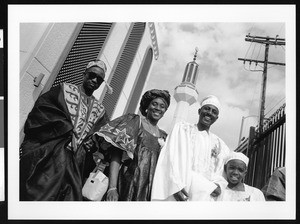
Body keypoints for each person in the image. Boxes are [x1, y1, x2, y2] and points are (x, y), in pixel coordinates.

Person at [20, 59, 109, 201]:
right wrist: (67, 128)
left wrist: (92, 143)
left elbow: (101, 135)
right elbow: (42, 111)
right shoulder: (64, 89)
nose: (94, 80)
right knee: (41, 195)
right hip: (53, 154)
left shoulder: (100, 109)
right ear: (84, 74)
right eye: (92, 75)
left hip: (77, 162)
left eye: (99, 79)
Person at [93, 89, 171, 201]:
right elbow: (117, 154)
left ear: (165, 111)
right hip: (125, 184)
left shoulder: (164, 136)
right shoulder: (134, 122)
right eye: (154, 104)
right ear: (147, 106)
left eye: (162, 106)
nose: (158, 108)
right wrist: (112, 188)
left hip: (148, 191)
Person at [151, 95, 230, 201]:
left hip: (203, 197)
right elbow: (169, 157)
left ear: (216, 118)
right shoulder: (182, 129)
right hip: (180, 190)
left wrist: (219, 185)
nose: (209, 113)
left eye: (214, 111)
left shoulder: (219, 144)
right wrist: (175, 186)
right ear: (199, 111)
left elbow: (220, 171)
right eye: (207, 108)